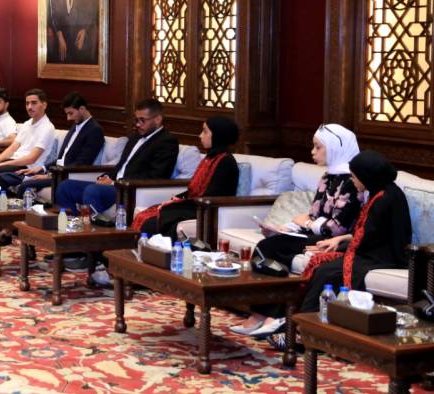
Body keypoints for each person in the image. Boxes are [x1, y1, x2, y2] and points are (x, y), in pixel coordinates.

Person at [266, 151, 411, 351]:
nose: (352, 180)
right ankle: (297, 325)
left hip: (382, 256)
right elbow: (364, 233)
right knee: (320, 266)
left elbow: (368, 238)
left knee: (326, 272)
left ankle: (305, 335)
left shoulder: (386, 198)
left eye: (355, 176)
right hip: (369, 250)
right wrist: (340, 240)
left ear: (366, 176)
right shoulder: (379, 193)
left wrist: (341, 246)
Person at [231, 123, 362, 336]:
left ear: (335, 148)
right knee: (267, 245)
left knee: (270, 248)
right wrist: (285, 228)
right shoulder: (328, 176)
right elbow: (313, 214)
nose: (312, 152)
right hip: (314, 234)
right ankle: (261, 314)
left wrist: (306, 224)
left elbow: (337, 228)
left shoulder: (352, 181)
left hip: (334, 241)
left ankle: (272, 315)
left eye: (318, 147)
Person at [55, 98, 179, 214]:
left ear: (157, 119)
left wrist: (114, 183)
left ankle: (92, 227)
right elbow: (121, 166)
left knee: (93, 191)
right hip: (115, 185)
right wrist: (106, 177)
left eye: (142, 120)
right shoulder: (135, 137)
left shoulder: (166, 141)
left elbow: (156, 176)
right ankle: (70, 224)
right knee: (65, 186)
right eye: (136, 120)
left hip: (129, 189)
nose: (138, 124)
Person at [132, 116, 240, 240]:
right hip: (195, 205)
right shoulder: (210, 157)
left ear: (218, 135)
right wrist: (177, 199)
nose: (200, 135)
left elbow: (212, 196)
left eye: (205, 132)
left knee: (153, 222)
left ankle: (156, 251)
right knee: (148, 214)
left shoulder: (226, 162)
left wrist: (179, 203)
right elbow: (193, 189)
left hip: (206, 210)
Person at [0, 91, 103, 197]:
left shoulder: (94, 130)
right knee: (3, 177)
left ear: (82, 109)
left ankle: (15, 208)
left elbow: (82, 163)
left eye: (70, 113)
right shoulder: (76, 125)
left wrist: (49, 175)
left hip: (65, 175)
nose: (68, 118)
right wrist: (42, 168)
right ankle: (0, 205)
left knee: (25, 185)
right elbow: (62, 159)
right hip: (55, 171)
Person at [47, 0, 100, 64]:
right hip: (61, 30)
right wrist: (59, 36)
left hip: (79, 31)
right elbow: (54, 2)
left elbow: (89, 2)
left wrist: (84, 29)